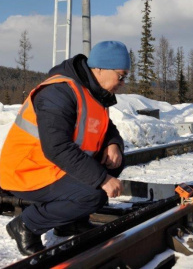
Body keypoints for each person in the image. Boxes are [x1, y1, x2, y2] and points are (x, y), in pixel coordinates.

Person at [0, 40, 130, 256]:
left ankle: (69, 223)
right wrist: (102, 180)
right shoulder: (58, 92)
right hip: (27, 170)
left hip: (52, 166)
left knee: (114, 162)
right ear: (100, 69)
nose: (123, 82)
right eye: (121, 76)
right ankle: (26, 225)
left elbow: (107, 128)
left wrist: (113, 144)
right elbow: (57, 148)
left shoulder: (93, 92)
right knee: (93, 194)